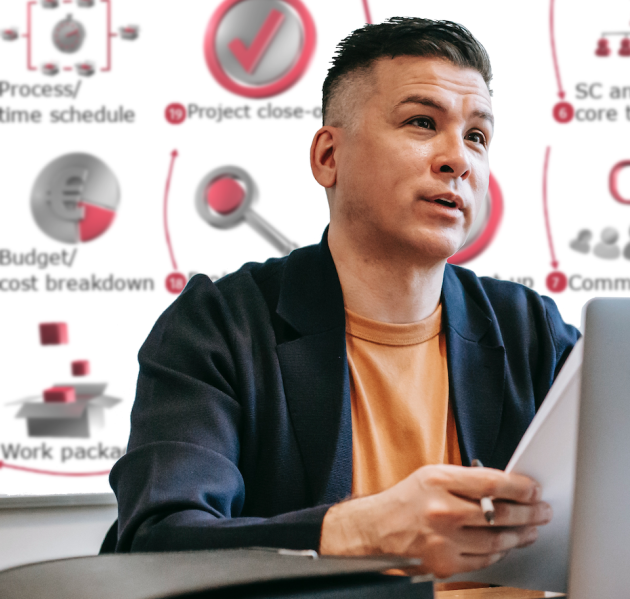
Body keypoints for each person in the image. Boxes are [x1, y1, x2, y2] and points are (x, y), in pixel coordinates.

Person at [106, 18, 578, 580]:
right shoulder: (219, 325)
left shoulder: (532, 328)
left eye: (477, 135)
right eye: (423, 123)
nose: (459, 158)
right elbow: (156, 545)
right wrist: (360, 533)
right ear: (329, 157)